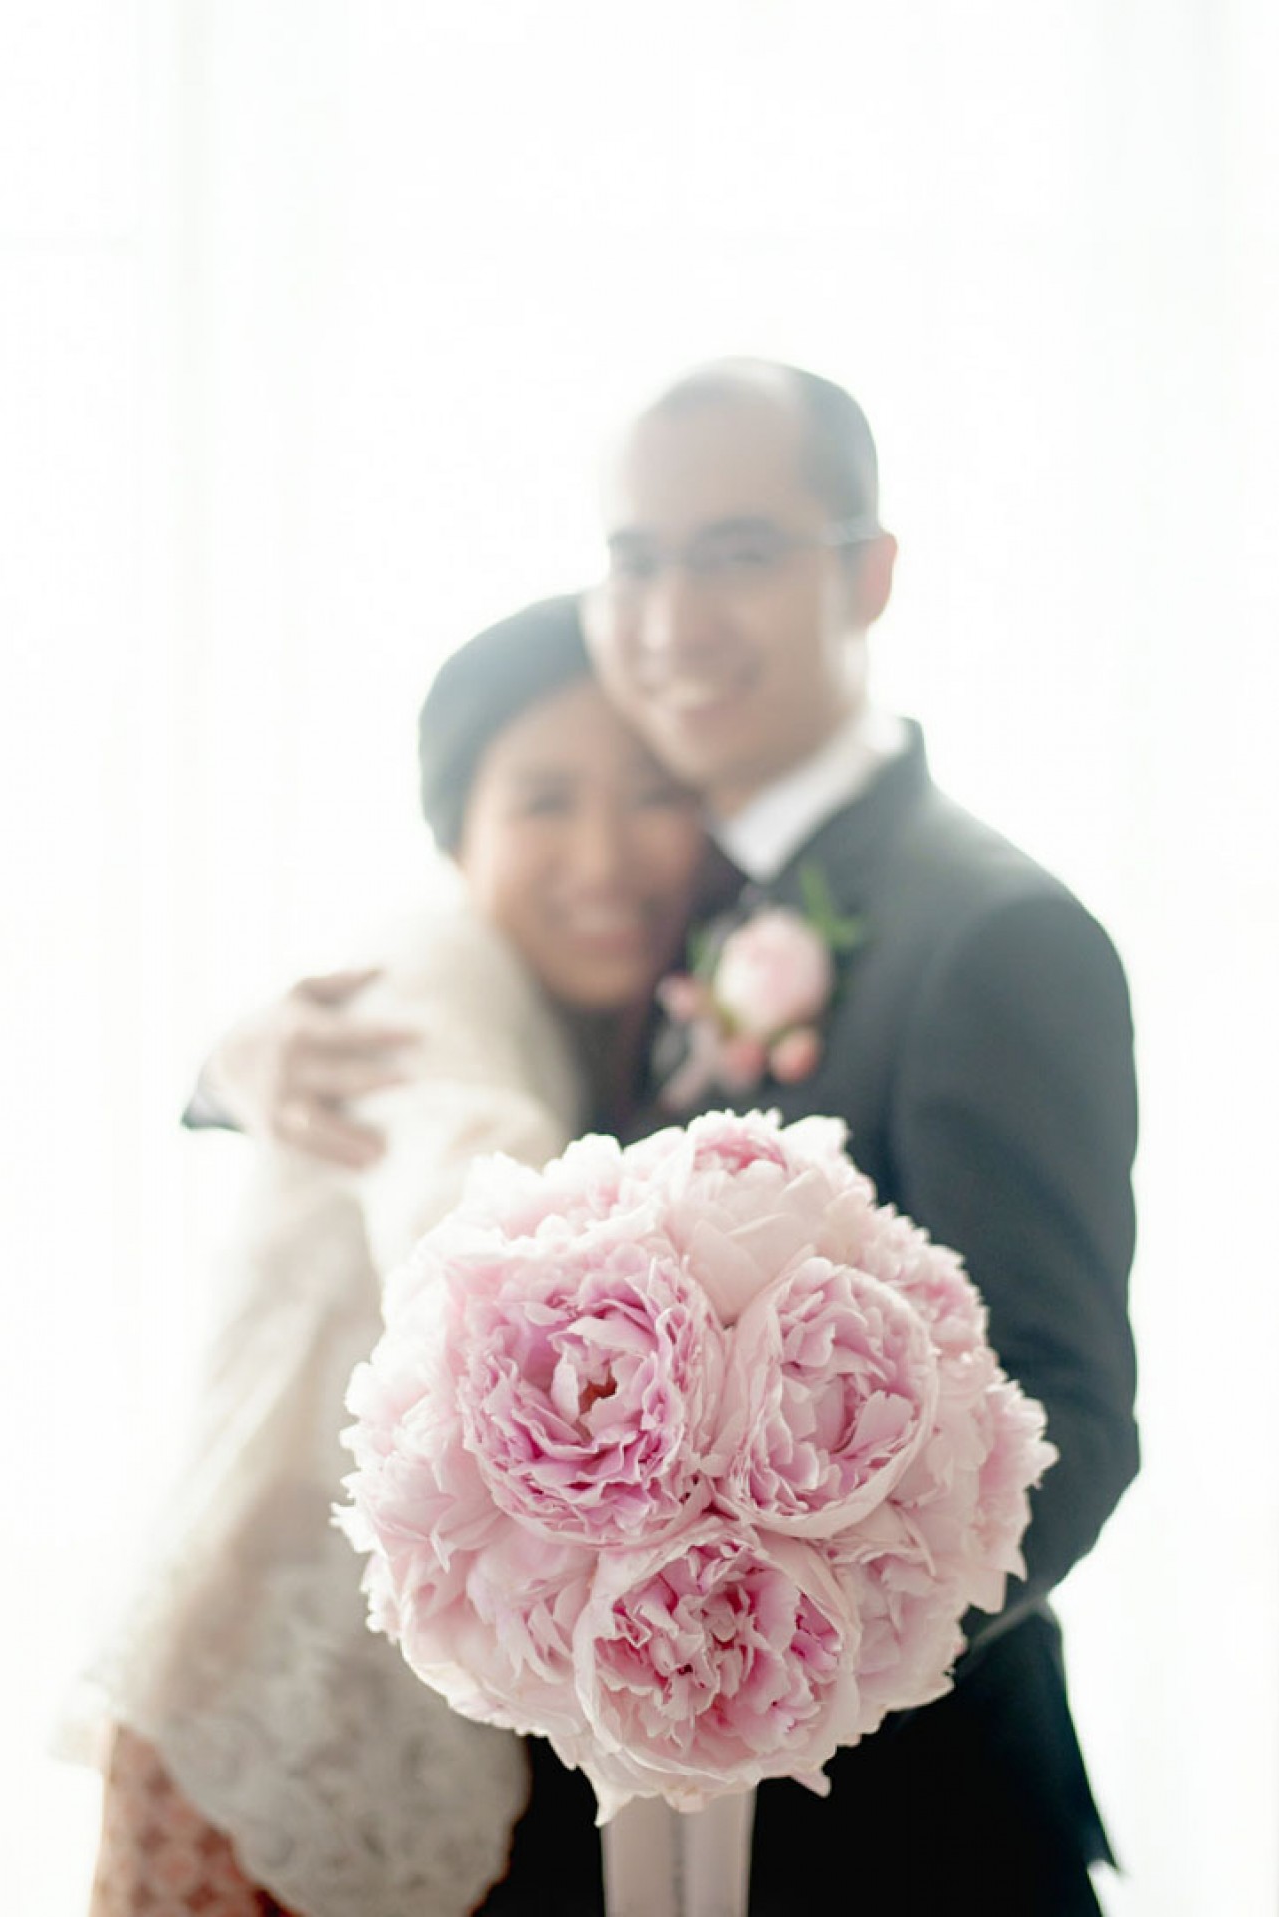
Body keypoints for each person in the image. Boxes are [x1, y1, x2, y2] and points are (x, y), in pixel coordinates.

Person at [219, 359, 1139, 1916]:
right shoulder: (661, 874)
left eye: (737, 553)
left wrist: (780, 1656)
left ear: (869, 573)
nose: (671, 618)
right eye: (634, 561)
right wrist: (233, 1058)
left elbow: (1075, 1411)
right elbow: (457, 1001)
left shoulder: (993, 935)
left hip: (910, 1831)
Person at [70, 596, 706, 1917]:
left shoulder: (567, 995)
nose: (604, 854)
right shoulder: (427, 974)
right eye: (543, 800)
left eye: (653, 794)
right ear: (456, 826)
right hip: (275, 1712)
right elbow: (465, 1204)